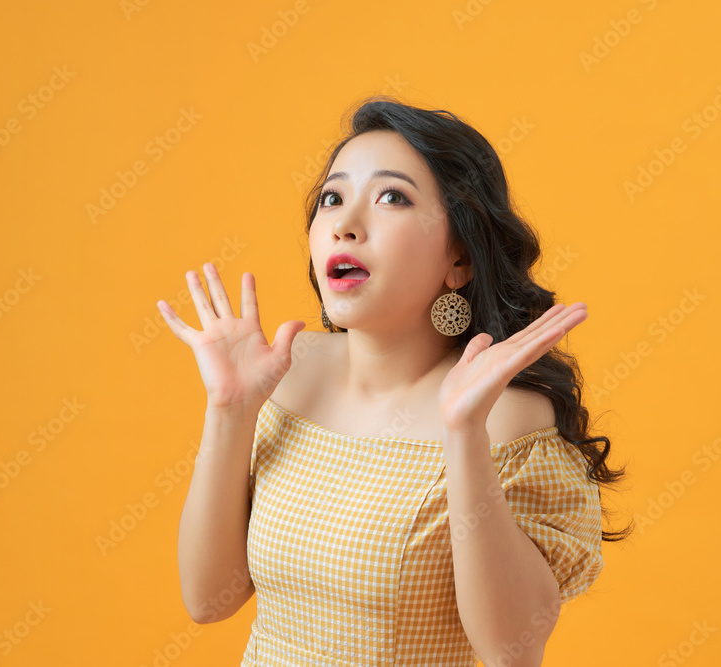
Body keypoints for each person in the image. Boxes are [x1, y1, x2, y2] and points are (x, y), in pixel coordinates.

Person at [158, 97, 632, 666]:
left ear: (459, 258)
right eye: (333, 198)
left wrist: (463, 436)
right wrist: (230, 409)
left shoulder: (504, 415)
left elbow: (513, 651)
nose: (345, 225)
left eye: (392, 197)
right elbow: (209, 600)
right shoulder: (291, 371)